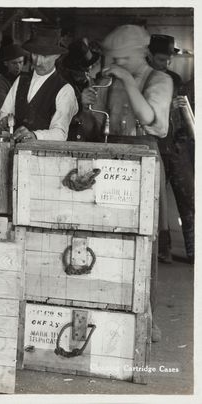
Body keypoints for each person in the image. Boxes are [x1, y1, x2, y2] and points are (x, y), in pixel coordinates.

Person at [81, 25, 173, 343]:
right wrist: (86, 103)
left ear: (139, 54)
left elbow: (152, 122)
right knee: (107, 237)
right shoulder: (112, 79)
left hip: (144, 160)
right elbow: (94, 126)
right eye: (111, 59)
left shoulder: (160, 80)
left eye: (120, 58)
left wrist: (128, 80)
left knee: (143, 242)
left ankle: (146, 317)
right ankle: (111, 311)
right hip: (110, 159)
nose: (113, 63)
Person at [148, 34, 194, 264]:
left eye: (167, 60)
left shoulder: (175, 79)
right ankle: (158, 251)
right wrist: (167, 108)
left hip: (175, 146)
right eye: (159, 59)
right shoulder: (145, 79)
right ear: (149, 55)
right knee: (154, 202)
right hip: (154, 145)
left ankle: (194, 251)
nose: (164, 64)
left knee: (189, 199)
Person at [0, 26, 78, 142]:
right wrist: (3, 121)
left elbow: (60, 133)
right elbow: (5, 112)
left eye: (45, 56)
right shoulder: (21, 80)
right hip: (15, 151)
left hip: (43, 156)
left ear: (57, 56)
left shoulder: (65, 90)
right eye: (35, 54)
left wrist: (35, 136)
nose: (38, 62)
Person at [57, 38, 103, 141]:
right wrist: (80, 102)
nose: (87, 72)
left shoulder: (88, 82)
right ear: (72, 69)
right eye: (83, 69)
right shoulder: (61, 84)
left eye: (89, 67)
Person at [0, 44, 28, 116]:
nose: (18, 66)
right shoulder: (0, 83)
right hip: (6, 121)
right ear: (6, 63)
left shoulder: (27, 79)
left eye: (20, 62)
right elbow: (6, 109)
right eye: (14, 63)